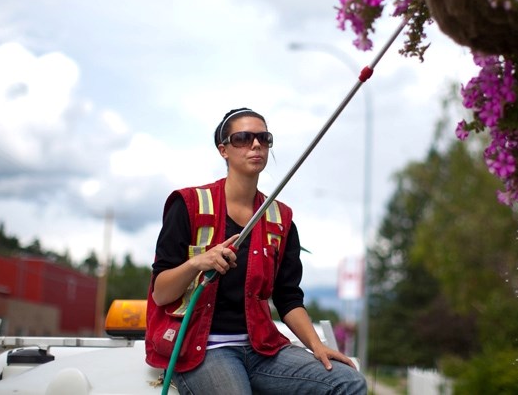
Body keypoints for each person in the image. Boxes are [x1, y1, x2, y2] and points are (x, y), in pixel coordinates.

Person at [149, 107, 368, 394]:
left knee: (348, 382)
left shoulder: (281, 218)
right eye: (242, 138)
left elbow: (288, 298)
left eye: (264, 138)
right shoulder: (188, 204)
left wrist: (318, 347)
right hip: (203, 350)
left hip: (261, 348)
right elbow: (161, 293)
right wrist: (198, 263)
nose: (255, 145)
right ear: (223, 150)